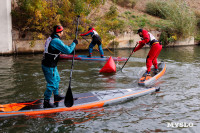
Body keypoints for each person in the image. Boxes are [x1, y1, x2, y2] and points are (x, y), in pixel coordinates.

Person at [42, 25, 78, 108]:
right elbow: (68, 50)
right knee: (51, 84)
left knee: (57, 79)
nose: (63, 33)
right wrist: (74, 43)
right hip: (48, 66)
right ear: (60, 32)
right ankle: (46, 102)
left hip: (52, 65)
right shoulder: (55, 41)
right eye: (62, 31)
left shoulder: (51, 38)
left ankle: (56, 96)